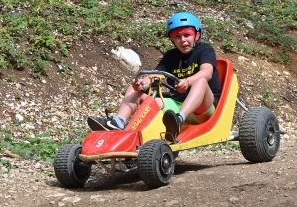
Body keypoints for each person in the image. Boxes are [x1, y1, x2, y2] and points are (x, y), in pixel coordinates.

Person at [87, 12, 221, 142]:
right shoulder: (171, 55)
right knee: (136, 90)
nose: (183, 40)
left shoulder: (205, 50)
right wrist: (143, 83)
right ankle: (119, 122)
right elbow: (157, 75)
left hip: (203, 108)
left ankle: (179, 120)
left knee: (201, 81)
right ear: (172, 39)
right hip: (176, 105)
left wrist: (187, 81)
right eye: (177, 37)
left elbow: (207, 72)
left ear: (196, 35)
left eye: (187, 35)